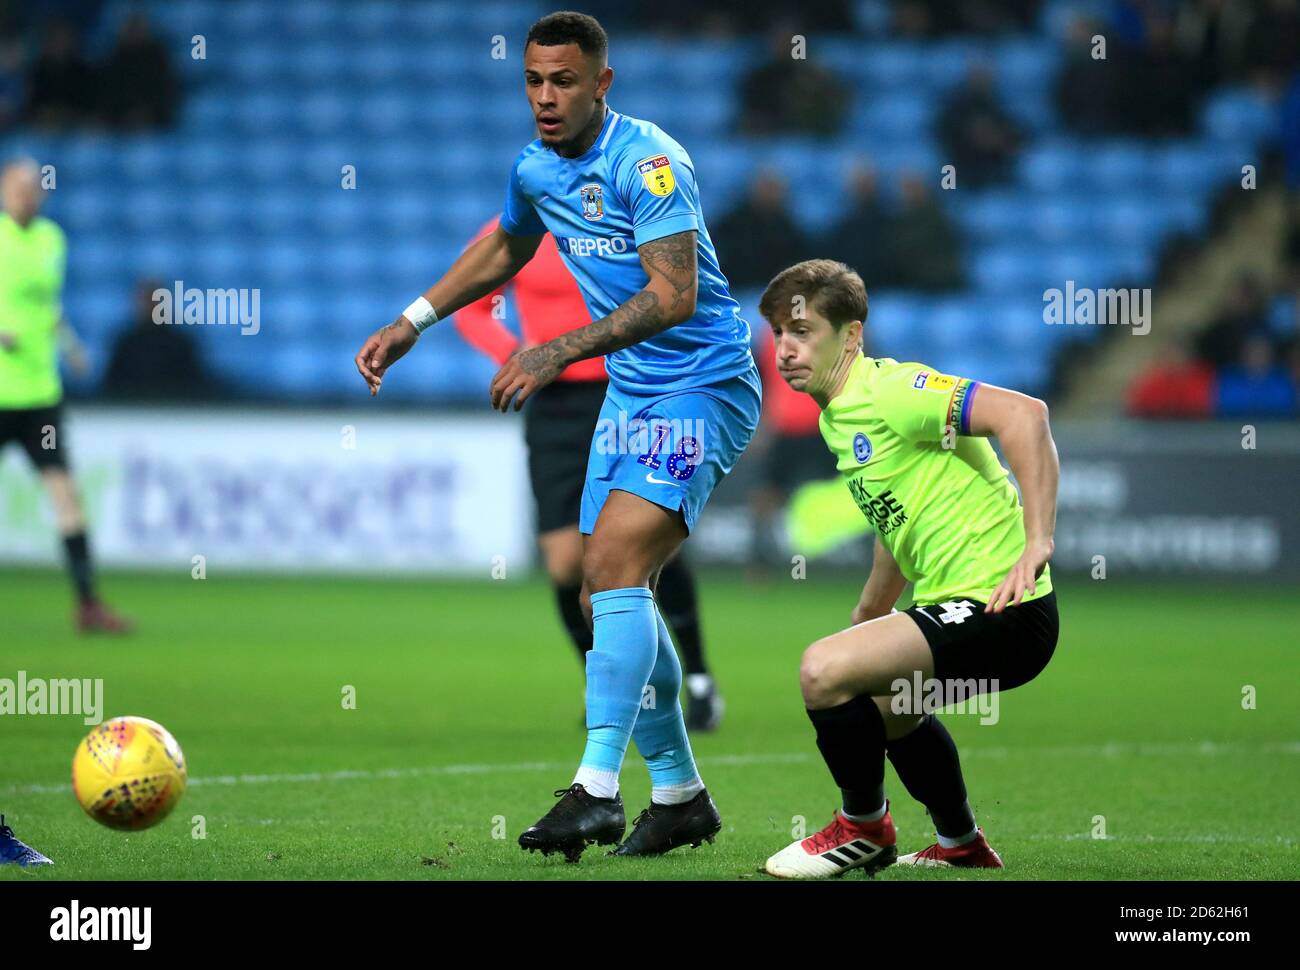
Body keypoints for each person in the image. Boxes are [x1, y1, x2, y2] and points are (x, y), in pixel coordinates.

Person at [354, 12, 760, 862]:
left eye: (563, 81)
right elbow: (506, 245)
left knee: (613, 567)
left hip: (702, 384)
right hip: (630, 390)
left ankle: (596, 791)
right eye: (534, 81)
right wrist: (414, 320)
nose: (545, 96)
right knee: (597, 589)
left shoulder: (649, 162)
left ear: (601, 85)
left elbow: (675, 295)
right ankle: (682, 796)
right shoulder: (534, 169)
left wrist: (554, 350)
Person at [755, 259, 1060, 878]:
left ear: (852, 335)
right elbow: (898, 520)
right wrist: (872, 608)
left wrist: (1037, 541)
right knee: (891, 703)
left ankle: (863, 826)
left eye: (804, 332)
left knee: (822, 671)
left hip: (1006, 607)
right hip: (967, 606)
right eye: (779, 335)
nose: (785, 350)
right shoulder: (837, 416)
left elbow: (1025, 416)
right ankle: (961, 843)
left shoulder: (890, 391)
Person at [452, 216, 725, 730]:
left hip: (627, 387)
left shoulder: (622, 218)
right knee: (563, 562)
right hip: (552, 401)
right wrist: (512, 352)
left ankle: (698, 678)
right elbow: (471, 304)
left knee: (649, 542)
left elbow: (672, 287)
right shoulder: (516, 227)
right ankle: (606, 682)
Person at [0, 158, 131, 633]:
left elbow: (48, 306)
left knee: (65, 495)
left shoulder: (53, 240)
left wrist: (71, 346)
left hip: (40, 395)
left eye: (32, 188)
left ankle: (88, 604)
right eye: (16, 188)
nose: (25, 196)